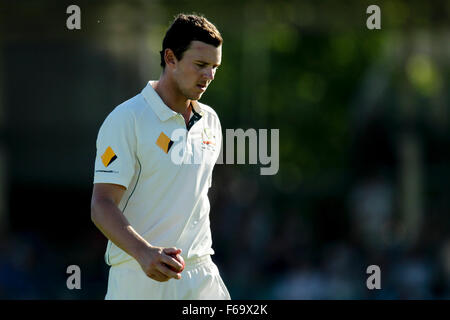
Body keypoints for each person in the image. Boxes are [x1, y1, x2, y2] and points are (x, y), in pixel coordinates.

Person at [90, 13, 230, 300]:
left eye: (215, 67)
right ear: (170, 58)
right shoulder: (126, 119)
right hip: (138, 276)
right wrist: (144, 253)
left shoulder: (211, 121)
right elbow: (101, 203)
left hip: (202, 274)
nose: (209, 76)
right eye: (201, 65)